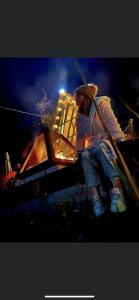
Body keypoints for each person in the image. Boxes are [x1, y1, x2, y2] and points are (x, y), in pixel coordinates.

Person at [74, 83, 127, 217]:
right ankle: (96, 198)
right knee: (85, 155)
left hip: (106, 141)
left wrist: (119, 138)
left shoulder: (101, 103)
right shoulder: (79, 116)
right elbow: (80, 136)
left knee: (102, 147)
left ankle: (118, 190)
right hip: (92, 145)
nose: (74, 97)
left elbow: (111, 121)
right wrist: (79, 151)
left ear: (84, 95)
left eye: (77, 95)